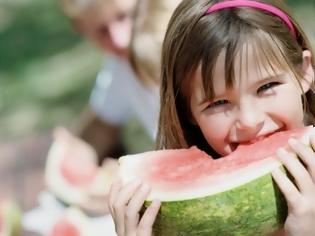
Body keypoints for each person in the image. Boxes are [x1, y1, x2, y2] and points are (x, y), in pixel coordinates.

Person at [109, 0, 315, 235]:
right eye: (219, 103)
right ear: (188, 112)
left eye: (267, 86)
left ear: (303, 71)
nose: (249, 120)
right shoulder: (189, 219)